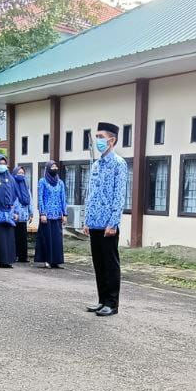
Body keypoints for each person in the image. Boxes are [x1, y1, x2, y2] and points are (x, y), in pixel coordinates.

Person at [83, 122, 127, 317]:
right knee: (98, 263)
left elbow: (119, 195)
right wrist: (86, 219)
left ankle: (112, 303)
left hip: (108, 223)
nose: (98, 140)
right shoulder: (96, 165)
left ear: (112, 140)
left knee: (110, 264)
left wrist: (113, 222)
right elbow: (90, 193)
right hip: (94, 222)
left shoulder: (119, 164)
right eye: (97, 136)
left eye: (101, 136)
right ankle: (102, 301)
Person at [35, 160, 66, 268]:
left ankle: (56, 261)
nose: (54, 168)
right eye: (52, 166)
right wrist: (42, 213)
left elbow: (63, 198)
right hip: (46, 215)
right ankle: (47, 260)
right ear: (47, 168)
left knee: (57, 239)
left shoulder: (60, 182)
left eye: (55, 166)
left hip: (57, 215)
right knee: (47, 238)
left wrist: (64, 214)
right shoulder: (42, 181)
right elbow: (40, 198)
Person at [14, 166, 32, 263]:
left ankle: (23, 257)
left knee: (23, 237)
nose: (21, 175)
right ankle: (15, 255)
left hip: (24, 215)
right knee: (14, 236)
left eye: (22, 173)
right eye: (19, 173)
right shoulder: (12, 184)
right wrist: (14, 212)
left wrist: (31, 212)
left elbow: (29, 199)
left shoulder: (25, 184)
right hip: (14, 215)